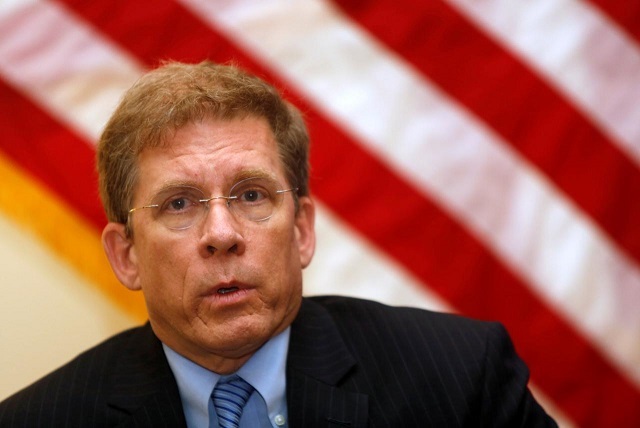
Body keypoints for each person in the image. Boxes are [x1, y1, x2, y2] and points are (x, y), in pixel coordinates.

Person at [0, 61, 557, 427]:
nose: (222, 234)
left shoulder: (460, 378)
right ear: (126, 255)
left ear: (301, 230)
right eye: (178, 204)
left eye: (250, 195)